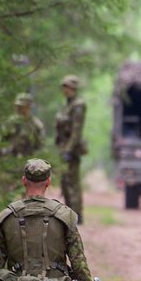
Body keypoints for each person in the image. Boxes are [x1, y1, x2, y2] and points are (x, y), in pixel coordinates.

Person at [54, 75, 86, 222]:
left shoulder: (78, 105)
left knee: (73, 181)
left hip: (71, 149)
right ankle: (70, 212)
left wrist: (68, 149)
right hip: (63, 146)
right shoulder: (67, 105)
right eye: (63, 86)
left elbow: (76, 131)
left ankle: (78, 214)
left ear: (73, 88)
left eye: (67, 86)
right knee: (65, 181)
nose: (64, 89)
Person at [0, 92, 44, 158]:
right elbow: (1, 143)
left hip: (29, 160)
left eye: (22, 107)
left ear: (29, 107)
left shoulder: (36, 124)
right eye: (18, 106)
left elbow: (40, 146)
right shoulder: (9, 122)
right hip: (9, 159)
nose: (19, 109)